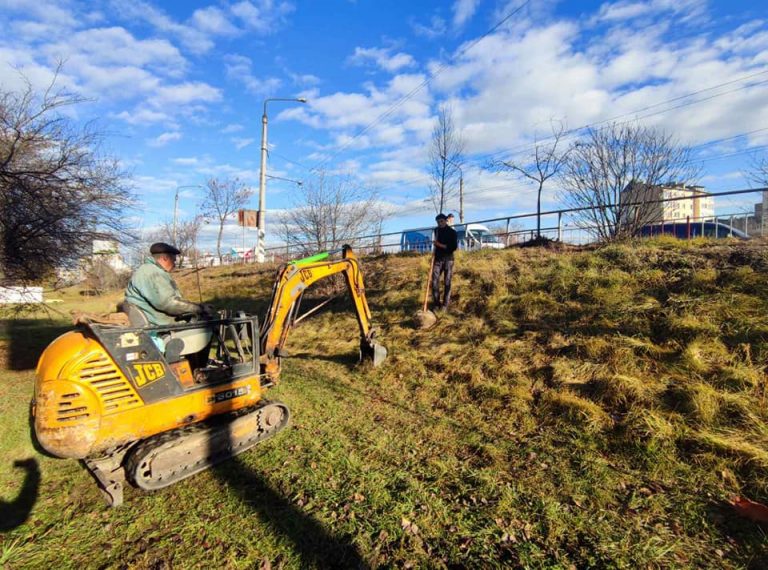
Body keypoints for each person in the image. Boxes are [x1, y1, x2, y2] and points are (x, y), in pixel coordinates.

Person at [123, 242, 208, 326]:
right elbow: (168, 303)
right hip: (158, 326)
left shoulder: (148, 270)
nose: (174, 264)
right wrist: (199, 308)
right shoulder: (152, 273)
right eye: (173, 260)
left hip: (156, 321)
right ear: (165, 258)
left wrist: (196, 306)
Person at [431, 213, 458, 311]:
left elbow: (453, 247)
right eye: (438, 222)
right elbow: (436, 244)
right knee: (434, 281)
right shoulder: (436, 230)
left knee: (447, 281)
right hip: (437, 259)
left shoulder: (452, 232)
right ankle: (436, 304)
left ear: (446, 221)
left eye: (441, 221)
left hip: (448, 259)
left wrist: (439, 245)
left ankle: (445, 305)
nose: (440, 223)